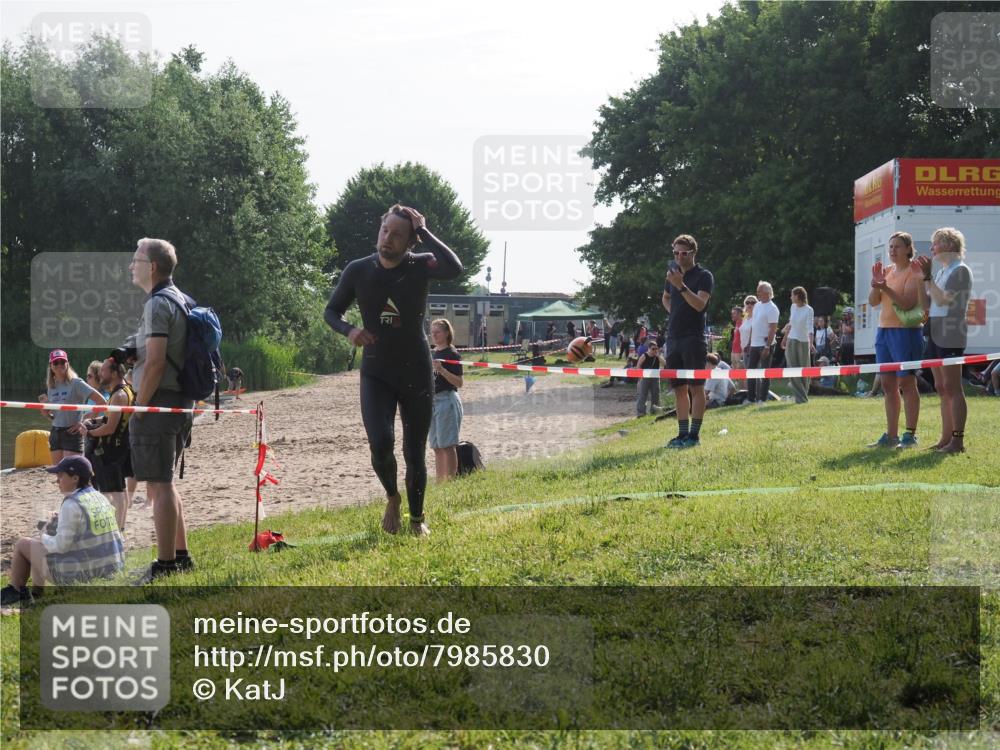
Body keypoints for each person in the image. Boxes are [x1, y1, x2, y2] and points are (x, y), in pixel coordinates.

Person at [324, 205, 463, 535]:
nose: (388, 238)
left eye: (398, 234)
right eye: (385, 230)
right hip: (376, 372)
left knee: (414, 452)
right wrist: (350, 330)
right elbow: (332, 311)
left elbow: (454, 268)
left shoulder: (420, 265)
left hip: (415, 370)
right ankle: (392, 498)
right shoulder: (358, 270)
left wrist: (425, 231)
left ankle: (417, 520)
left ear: (410, 241)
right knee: (380, 442)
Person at [115, 237, 197, 580]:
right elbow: (155, 353)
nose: (131, 266)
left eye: (135, 260)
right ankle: (181, 555)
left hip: (160, 401)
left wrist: (140, 405)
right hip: (180, 402)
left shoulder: (157, 304)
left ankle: (165, 565)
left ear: (152, 267)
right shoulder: (181, 299)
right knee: (165, 483)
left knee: (159, 485)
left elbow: (157, 363)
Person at [0, 456, 124, 607]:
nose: (57, 480)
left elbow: (61, 546)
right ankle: (36, 594)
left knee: (24, 544)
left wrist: (43, 534)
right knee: (41, 541)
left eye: (60, 476)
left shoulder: (72, 504)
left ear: (75, 478)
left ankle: (15, 591)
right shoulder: (100, 497)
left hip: (84, 576)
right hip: (109, 570)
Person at [915, 227, 974, 453]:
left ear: (949, 246)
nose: (932, 249)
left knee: (952, 386)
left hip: (951, 332)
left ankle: (957, 441)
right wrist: (921, 279)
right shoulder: (942, 272)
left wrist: (928, 277)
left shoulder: (960, 271)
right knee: (941, 386)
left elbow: (945, 300)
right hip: (935, 330)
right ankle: (945, 438)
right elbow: (929, 305)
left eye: (936, 244)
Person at [867, 231, 924, 448]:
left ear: (909, 249)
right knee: (888, 385)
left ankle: (910, 435)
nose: (892, 251)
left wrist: (885, 288)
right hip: (884, 332)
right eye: (890, 247)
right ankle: (891, 436)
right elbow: (874, 302)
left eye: (897, 246)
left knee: (907, 383)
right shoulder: (888, 271)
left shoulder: (913, 272)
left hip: (906, 332)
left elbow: (908, 303)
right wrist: (876, 285)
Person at [661, 234, 713, 448]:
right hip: (673, 337)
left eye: (684, 253)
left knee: (696, 387)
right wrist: (675, 312)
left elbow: (700, 304)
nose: (679, 257)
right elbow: (664, 297)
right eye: (675, 253)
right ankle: (682, 434)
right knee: (679, 388)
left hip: (693, 337)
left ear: (693, 253)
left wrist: (681, 286)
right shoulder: (672, 275)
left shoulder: (704, 275)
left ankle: (694, 435)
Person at [73, 358, 135, 532]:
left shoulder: (119, 395)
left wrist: (90, 432)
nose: (101, 374)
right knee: (118, 490)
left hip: (112, 450)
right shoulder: (123, 391)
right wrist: (93, 420)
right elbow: (109, 418)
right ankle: (118, 528)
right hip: (119, 447)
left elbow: (110, 427)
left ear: (114, 373)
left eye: (104, 371)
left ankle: (117, 529)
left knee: (114, 492)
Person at [42, 350, 107, 465]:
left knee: (72, 473)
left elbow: (102, 402)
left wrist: (83, 421)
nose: (59, 365)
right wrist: (46, 413)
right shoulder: (51, 387)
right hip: (55, 433)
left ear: (67, 364)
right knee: (60, 476)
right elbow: (54, 417)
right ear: (51, 366)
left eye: (62, 362)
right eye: (56, 363)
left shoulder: (76, 383)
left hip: (72, 433)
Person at [429, 318, 464, 482]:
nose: (434, 335)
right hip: (432, 402)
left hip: (447, 400)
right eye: (432, 332)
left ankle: (450, 481)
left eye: (437, 332)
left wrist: (442, 370)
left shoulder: (452, 354)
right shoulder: (433, 352)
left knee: (448, 445)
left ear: (446, 333)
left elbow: (459, 382)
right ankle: (439, 481)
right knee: (436, 446)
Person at [745, 282, 779, 404]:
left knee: (765, 372)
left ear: (766, 292)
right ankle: (750, 398)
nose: (757, 293)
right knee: (751, 371)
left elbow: (772, 329)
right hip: (754, 344)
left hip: (765, 344)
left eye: (759, 291)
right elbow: (754, 325)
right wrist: (750, 341)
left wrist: (767, 346)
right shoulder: (758, 306)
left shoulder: (773, 308)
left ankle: (762, 399)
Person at [781, 287, 815, 404]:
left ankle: (803, 396)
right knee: (793, 369)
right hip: (791, 340)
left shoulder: (809, 310)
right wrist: (784, 339)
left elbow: (810, 328)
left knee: (805, 370)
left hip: (804, 342)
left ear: (797, 296)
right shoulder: (793, 307)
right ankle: (800, 398)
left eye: (792, 295)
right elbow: (790, 324)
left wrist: (811, 343)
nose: (790, 297)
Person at [635, 340, 663, 416]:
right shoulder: (644, 356)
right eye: (653, 349)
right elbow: (638, 366)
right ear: (649, 349)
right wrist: (640, 378)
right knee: (643, 395)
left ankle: (654, 411)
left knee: (655, 394)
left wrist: (658, 356)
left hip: (655, 378)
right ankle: (641, 413)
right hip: (645, 378)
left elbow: (665, 363)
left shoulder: (657, 356)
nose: (655, 350)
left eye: (656, 349)